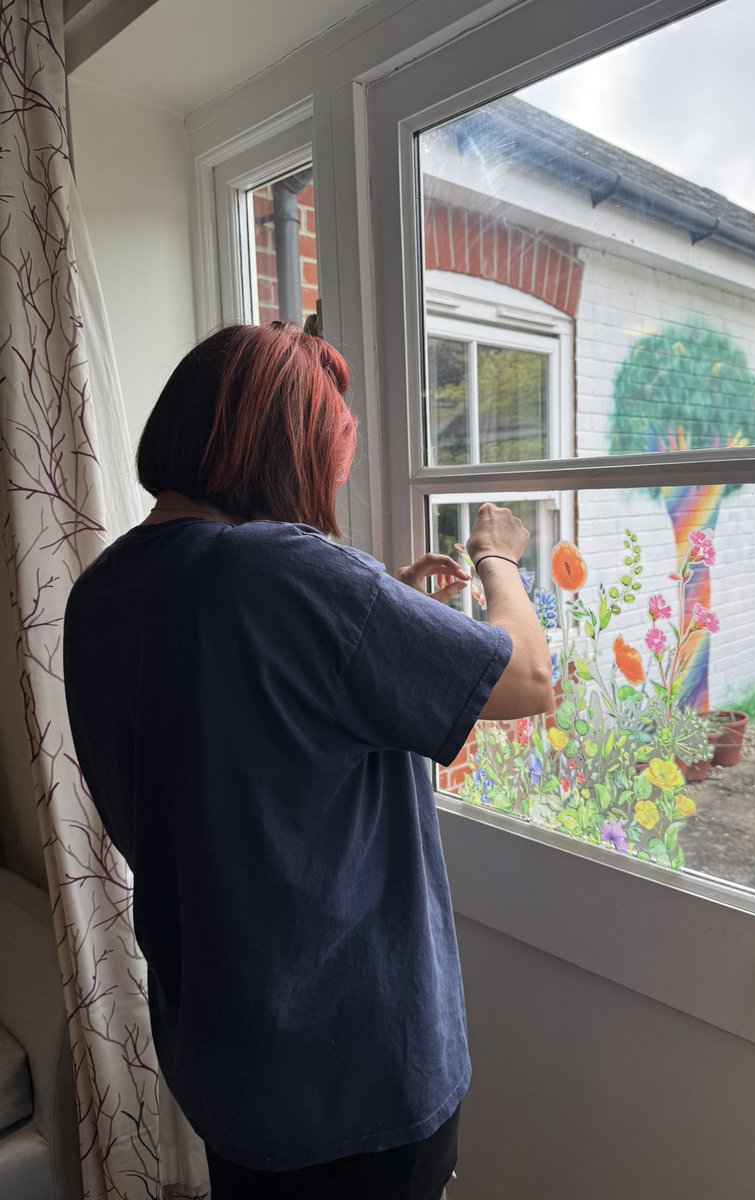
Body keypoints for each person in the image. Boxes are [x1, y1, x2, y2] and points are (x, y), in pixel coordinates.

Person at [63, 322, 553, 1199]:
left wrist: (383, 619)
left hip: (225, 1057)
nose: (331, 485)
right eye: (329, 461)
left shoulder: (102, 590)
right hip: (355, 1079)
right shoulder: (279, 570)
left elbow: (245, 730)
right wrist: (499, 558)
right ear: (283, 451)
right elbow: (526, 677)